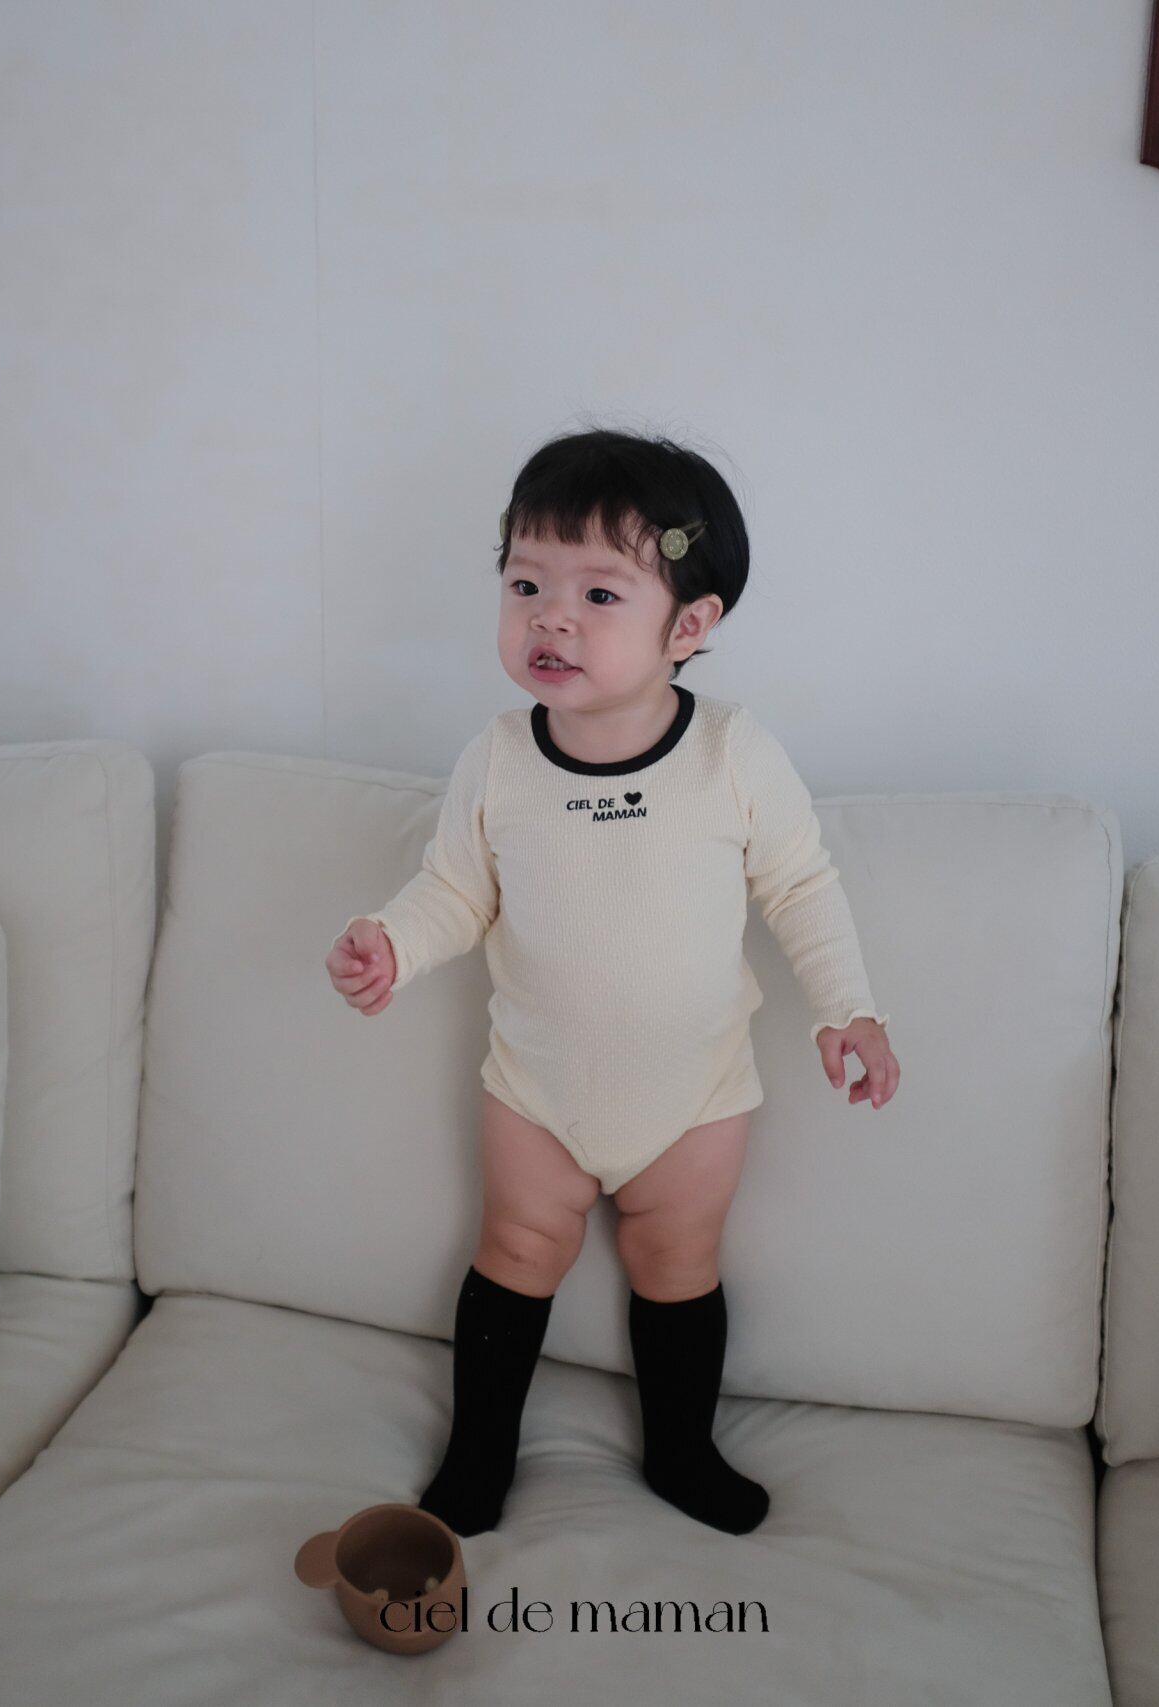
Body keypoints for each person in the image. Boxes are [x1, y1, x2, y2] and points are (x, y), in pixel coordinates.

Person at [325, 427, 899, 1539]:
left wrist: (850, 1009)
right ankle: (479, 1456)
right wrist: (391, 941)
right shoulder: (498, 758)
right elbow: (454, 890)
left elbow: (800, 886)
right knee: (515, 1252)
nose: (551, 617)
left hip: (693, 1095)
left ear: (688, 625)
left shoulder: (731, 755)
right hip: (536, 1090)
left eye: (597, 593)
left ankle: (681, 1450)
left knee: (675, 1261)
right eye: (525, 584)